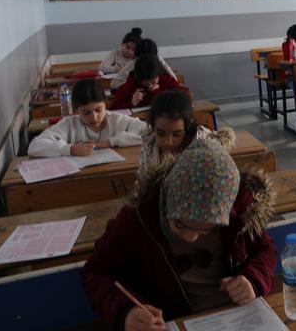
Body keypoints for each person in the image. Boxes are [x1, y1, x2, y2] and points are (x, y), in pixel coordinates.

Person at [82, 138, 277, 328]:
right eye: (180, 225)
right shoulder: (138, 220)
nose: (191, 238)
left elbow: (265, 251)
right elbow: (96, 273)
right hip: (174, 322)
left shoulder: (240, 215)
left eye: (206, 229)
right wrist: (126, 311)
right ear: (167, 202)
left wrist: (253, 279)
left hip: (237, 318)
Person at [134, 90, 235, 195]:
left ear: (187, 127)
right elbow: (140, 188)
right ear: (153, 128)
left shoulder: (205, 150)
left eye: (176, 134)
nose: (168, 142)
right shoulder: (150, 145)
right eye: (161, 134)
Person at [28, 78, 149, 157]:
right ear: (76, 111)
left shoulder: (116, 120)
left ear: (105, 104)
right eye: (86, 113)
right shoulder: (69, 124)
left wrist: (110, 142)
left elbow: (150, 131)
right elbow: (34, 146)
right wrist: (70, 149)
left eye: (99, 110)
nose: (94, 118)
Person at [109, 55, 189, 110]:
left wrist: (157, 92)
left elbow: (184, 98)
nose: (150, 85)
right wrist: (131, 103)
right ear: (139, 79)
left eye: (153, 81)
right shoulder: (131, 84)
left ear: (159, 75)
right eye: (146, 83)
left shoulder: (166, 79)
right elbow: (113, 109)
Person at [111, 38, 177, 90]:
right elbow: (114, 84)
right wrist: (132, 82)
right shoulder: (134, 63)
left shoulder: (158, 61)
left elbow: (174, 80)